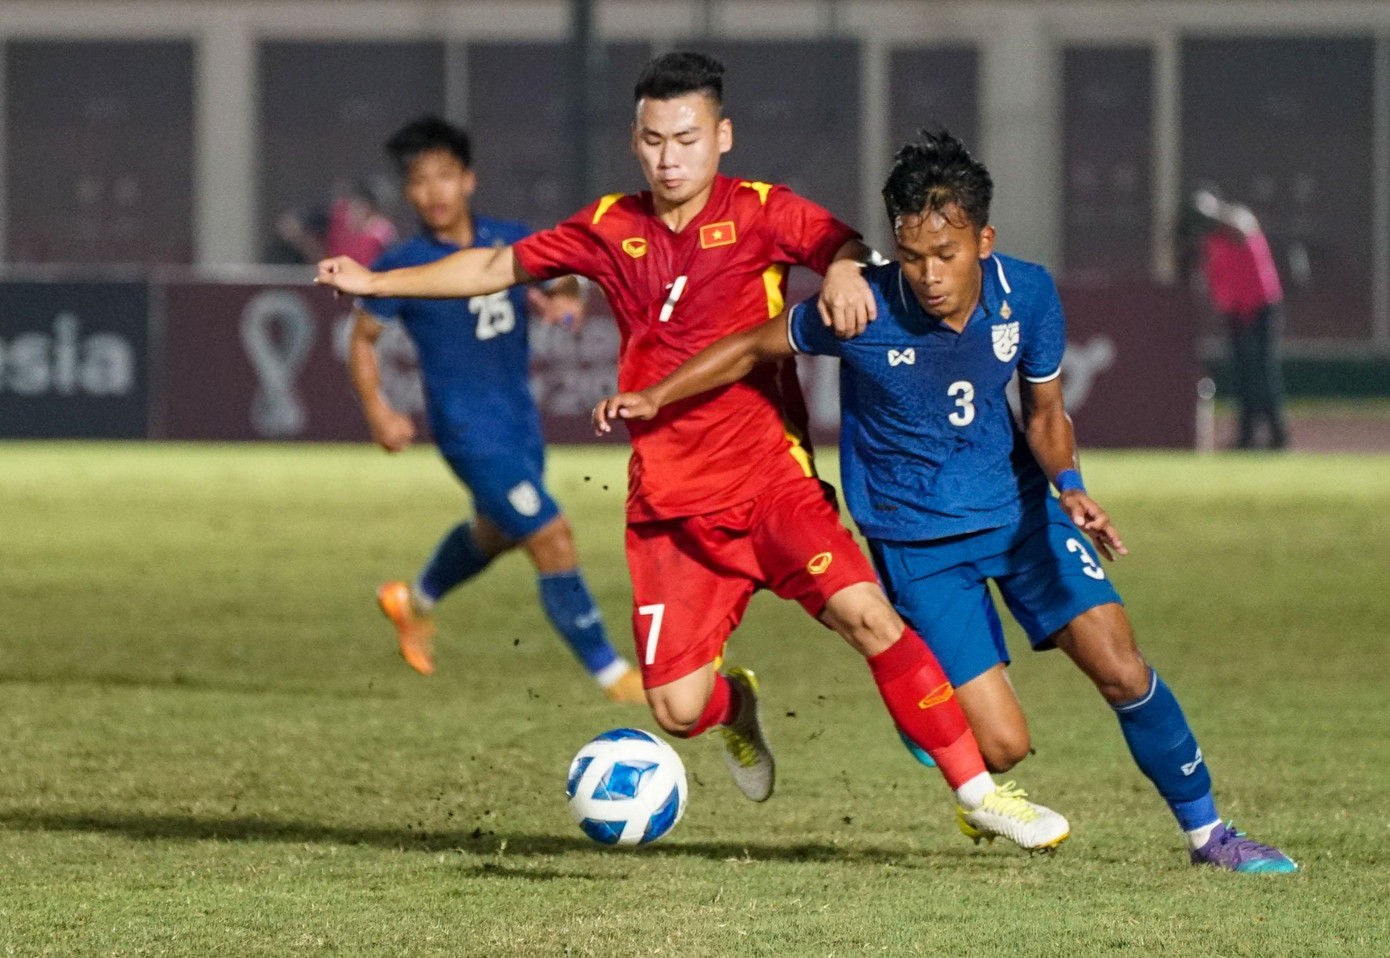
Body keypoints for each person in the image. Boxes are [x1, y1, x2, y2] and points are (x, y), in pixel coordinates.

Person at [320, 54, 1069, 851]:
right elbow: (496, 265)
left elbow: (840, 242)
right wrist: (378, 284)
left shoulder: (763, 212)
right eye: (653, 140)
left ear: (722, 136)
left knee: (870, 618)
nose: (669, 158)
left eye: (686, 138)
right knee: (678, 710)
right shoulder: (611, 225)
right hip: (671, 506)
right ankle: (736, 708)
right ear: (635, 141)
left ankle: (980, 795)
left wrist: (847, 271)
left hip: (771, 482)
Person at [594, 129, 1298, 874]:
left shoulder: (1027, 294)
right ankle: (927, 707)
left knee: (1122, 667)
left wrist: (1071, 487)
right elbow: (747, 347)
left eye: (946, 253)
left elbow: (1046, 414)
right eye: (911, 256)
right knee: (1004, 748)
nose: (928, 275)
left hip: (1022, 516)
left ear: (983, 241)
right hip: (919, 546)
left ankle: (1210, 837)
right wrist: (656, 396)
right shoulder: (862, 306)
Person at [344, 115, 644, 704]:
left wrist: (565, 302)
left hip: (519, 424)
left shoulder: (508, 239)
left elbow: (566, 280)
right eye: (419, 181)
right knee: (551, 534)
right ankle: (612, 674)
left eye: (444, 176)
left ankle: (415, 601)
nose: (433, 191)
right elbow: (362, 339)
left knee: (498, 532)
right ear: (408, 192)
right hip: (468, 432)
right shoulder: (402, 264)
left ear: (468, 179)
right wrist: (378, 410)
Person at [1188, 187, 1288, 450]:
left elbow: (1242, 228)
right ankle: (1246, 435)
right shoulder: (1211, 243)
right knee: (1241, 375)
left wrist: (1218, 218)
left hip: (1260, 308)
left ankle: (1277, 435)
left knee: (1262, 372)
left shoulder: (1236, 220)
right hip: (1235, 312)